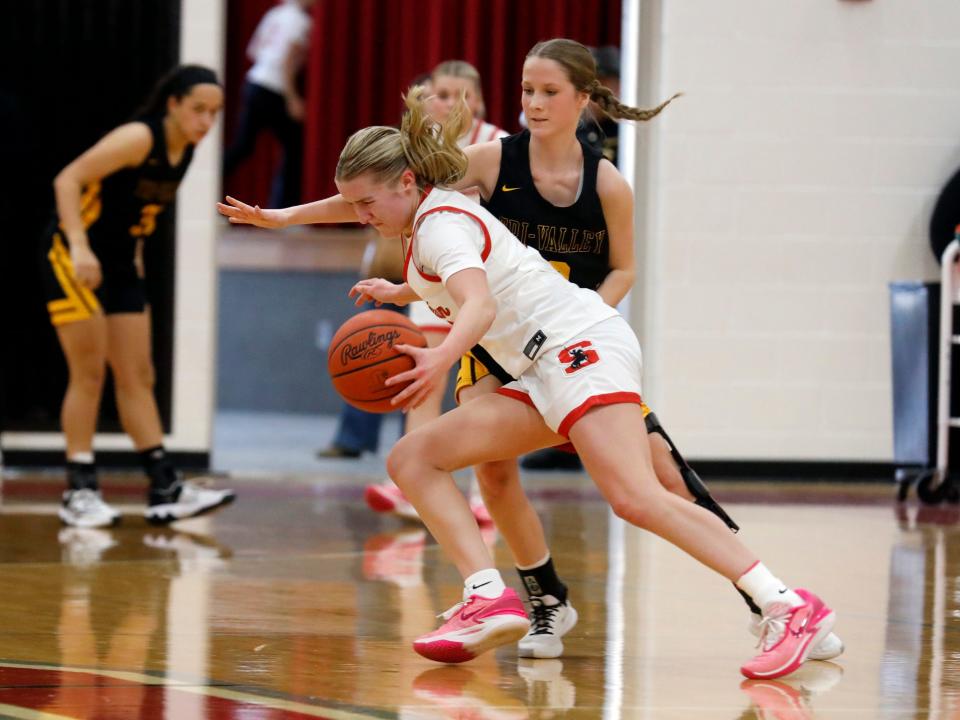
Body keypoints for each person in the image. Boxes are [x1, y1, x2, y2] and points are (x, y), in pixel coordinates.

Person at [218, 84, 837, 680]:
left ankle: (787, 606)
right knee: (414, 458)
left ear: (407, 183)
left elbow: (479, 307)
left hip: (579, 348)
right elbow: (372, 215)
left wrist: (437, 358)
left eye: (366, 205)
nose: (358, 216)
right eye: (352, 205)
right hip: (541, 366)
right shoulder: (419, 213)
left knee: (636, 496)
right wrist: (283, 219)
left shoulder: (440, 228)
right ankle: (487, 594)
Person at [42, 65, 236, 528]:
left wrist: (134, 266)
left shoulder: (184, 150)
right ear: (172, 104)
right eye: (198, 110)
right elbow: (67, 181)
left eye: (214, 113)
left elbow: (138, 217)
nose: (206, 122)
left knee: (138, 374)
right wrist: (80, 247)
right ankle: (79, 489)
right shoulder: (139, 137)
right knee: (89, 372)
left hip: (122, 263)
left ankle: (165, 486)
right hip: (73, 254)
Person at [364, 60, 507, 525]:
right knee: (423, 376)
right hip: (430, 278)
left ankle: (485, 492)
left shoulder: (499, 142)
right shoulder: (414, 149)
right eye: (436, 92)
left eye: (454, 94)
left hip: (480, 281)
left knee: (485, 395)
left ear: (477, 101)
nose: (442, 102)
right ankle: (407, 481)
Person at [223, 0, 315, 208]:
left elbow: (254, 50)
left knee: (242, 147)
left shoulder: (275, 14)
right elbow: (287, 61)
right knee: (294, 149)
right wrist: (292, 98)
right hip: (275, 90)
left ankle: (208, 185)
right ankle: (284, 208)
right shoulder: (301, 21)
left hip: (254, 83)